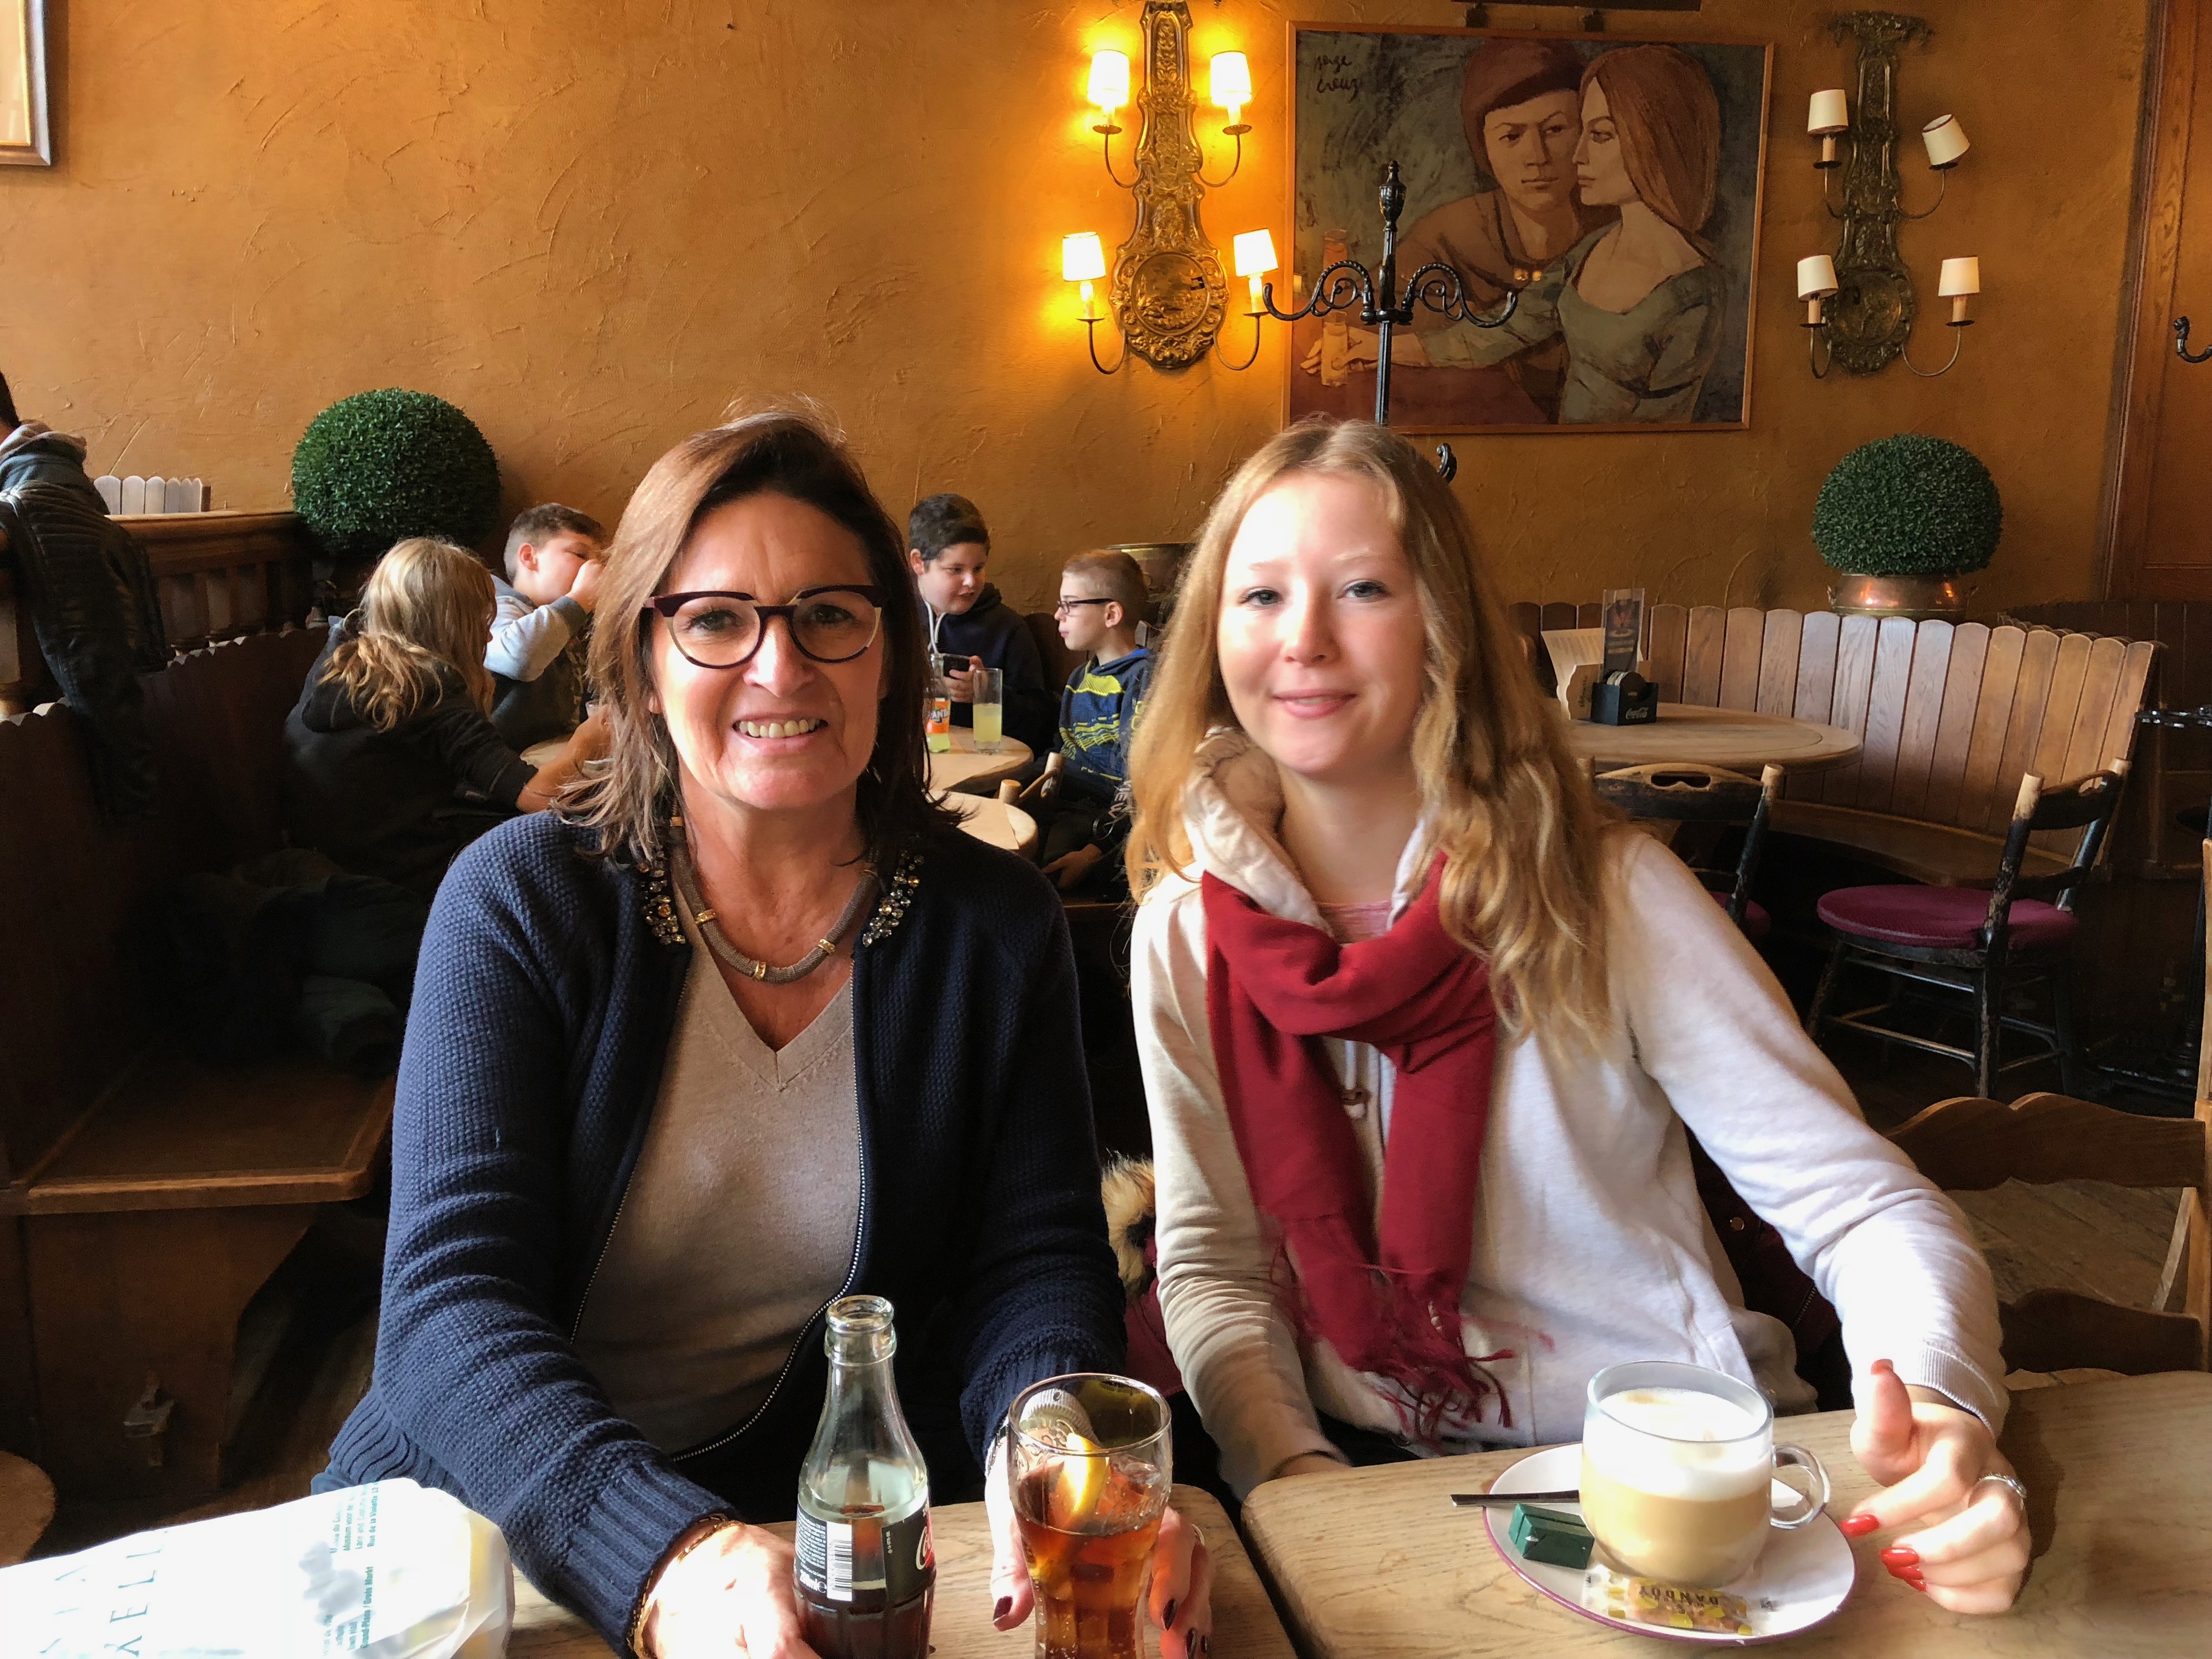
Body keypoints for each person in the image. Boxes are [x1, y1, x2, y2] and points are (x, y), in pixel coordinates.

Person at [316, 411, 1213, 1659]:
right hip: (486, 1535)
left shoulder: (994, 923)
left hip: (815, 1535)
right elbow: (448, 1306)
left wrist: (1057, 1452)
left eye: (830, 615)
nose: (779, 666)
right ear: (641, 660)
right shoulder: (521, 899)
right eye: (715, 620)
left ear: (892, 655)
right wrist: (669, 1554)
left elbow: (1034, 1258)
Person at [1126, 417, 2029, 1615]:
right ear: (1212, 634)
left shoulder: (1607, 893)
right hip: (1360, 1474)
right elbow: (1215, 1264)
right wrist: (1293, 1475)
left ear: (1445, 626)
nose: (1303, 639)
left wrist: (1945, 1413)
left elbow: (1864, 1209)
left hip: (1664, 1476)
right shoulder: (1183, 935)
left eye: (1363, 588)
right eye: (1260, 595)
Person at [1338, 45, 1727, 425]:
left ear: (1654, 141)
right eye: (1512, 136)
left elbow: (1661, 435)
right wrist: (1382, 347)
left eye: (1600, 135)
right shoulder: (1595, 248)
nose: (1577, 155)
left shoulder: (1694, 292)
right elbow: (1506, 330)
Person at [284, 537, 605, 902]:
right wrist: (588, 740)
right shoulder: (431, 689)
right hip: (403, 879)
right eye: (481, 621)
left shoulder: (340, 660)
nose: (487, 635)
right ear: (452, 623)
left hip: (326, 865)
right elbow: (538, 796)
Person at [1390, 40, 1618, 421]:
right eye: (1511, 136)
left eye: (1555, 129)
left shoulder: (1621, 233)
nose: (1537, 157)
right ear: (1483, 147)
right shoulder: (1448, 237)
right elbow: (1374, 321)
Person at [1036, 549, 1153, 894]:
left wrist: (1094, 852)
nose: (1058, 615)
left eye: (1070, 605)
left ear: (1111, 614)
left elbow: (1141, 782)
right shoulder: (1079, 677)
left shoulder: (1144, 680)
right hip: (1063, 804)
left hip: (1102, 823)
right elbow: (1061, 754)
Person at [907, 491, 1054, 755]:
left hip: (983, 766)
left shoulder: (1008, 629)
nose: (971, 582)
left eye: (978, 568)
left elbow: (1041, 728)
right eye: (956, 570)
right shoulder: (891, 620)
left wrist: (987, 693)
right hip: (905, 761)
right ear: (919, 563)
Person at [487, 502, 607, 750]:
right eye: (581, 555)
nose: (592, 569)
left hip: (556, 755)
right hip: (505, 762)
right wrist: (581, 598)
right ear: (529, 557)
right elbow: (517, 658)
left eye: (599, 562)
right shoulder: (497, 606)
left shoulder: (574, 620)